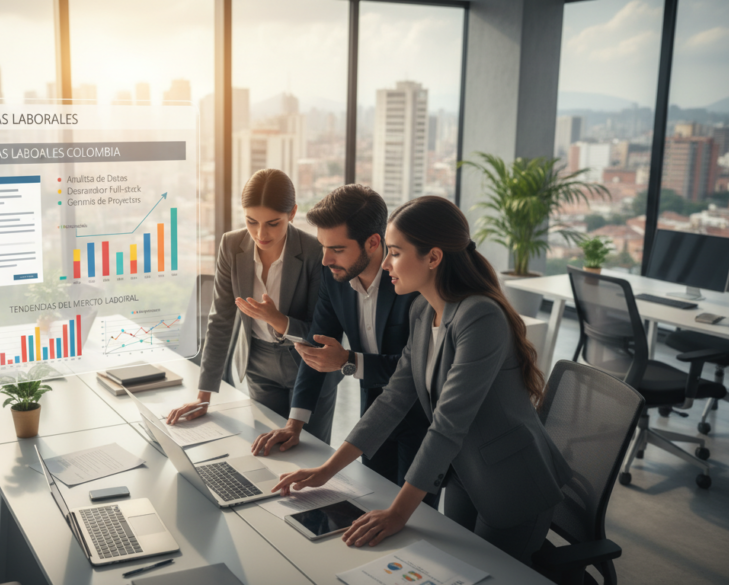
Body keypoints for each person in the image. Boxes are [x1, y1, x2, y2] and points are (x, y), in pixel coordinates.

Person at [272, 196, 572, 565]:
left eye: (395, 253)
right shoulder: (423, 310)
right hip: (466, 472)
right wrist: (327, 469)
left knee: (489, 573)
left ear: (433, 257)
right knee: (456, 566)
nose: (385, 264)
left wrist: (398, 512)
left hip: (513, 483)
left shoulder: (480, 317)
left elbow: (448, 424)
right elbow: (394, 398)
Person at [249, 185, 436, 507]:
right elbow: (317, 348)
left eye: (336, 248)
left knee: (418, 519)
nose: (324, 258)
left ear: (373, 242)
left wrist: (349, 361)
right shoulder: (333, 275)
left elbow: (419, 367)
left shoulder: (412, 283)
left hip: (424, 416)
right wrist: (295, 424)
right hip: (373, 415)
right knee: (371, 504)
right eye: (322, 247)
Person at [166, 169, 341, 443]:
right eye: (251, 221)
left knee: (308, 452)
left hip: (309, 365)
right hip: (258, 366)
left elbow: (322, 333)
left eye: (273, 223)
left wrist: (278, 320)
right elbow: (220, 319)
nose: (261, 233)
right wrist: (203, 397)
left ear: (292, 213)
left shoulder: (314, 252)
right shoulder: (231, 245)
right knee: (266, 447)